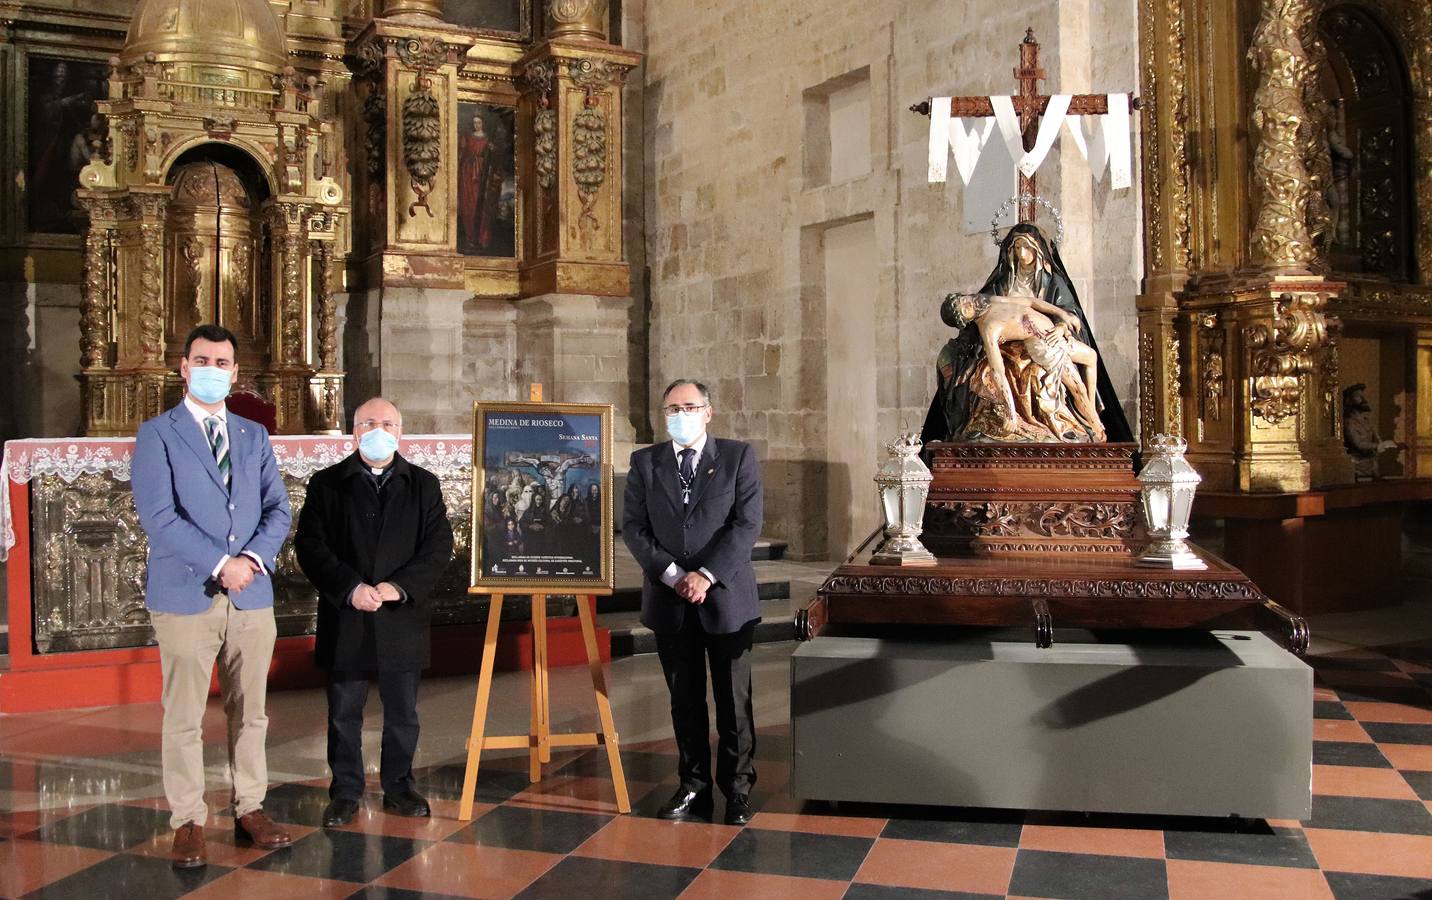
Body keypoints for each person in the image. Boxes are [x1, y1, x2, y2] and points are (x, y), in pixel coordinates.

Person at [132, 324, 294, 869]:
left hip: (251, 593)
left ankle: (250, 806)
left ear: (234, 372)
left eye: (221, 362)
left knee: (252, 712)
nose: (211, 369)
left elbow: (278, 509)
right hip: (186, 592)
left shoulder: (252, 435)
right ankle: (188, 820)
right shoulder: (158, 433)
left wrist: (249, 561)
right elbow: (158, 516)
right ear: (183, 367)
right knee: (183, 716)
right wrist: (220, 562)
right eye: (201, 360)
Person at [294, 397, 455, 827]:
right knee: (344, 711)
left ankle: (399, 786)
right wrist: (350, 588)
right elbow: (310, 546)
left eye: (387, 423)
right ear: (354, 430)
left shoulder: (424, 484)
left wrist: (397, 588)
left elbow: (439, 547)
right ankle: (345, 790)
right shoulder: (326, 483)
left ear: (400, 432)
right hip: (347, 612)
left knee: (402, 711)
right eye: (369, 422)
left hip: (401, 615)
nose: (378, 429)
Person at [622, 379, 764, 825]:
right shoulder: (645, 462)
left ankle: (738, 790)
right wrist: (673, 575)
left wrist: (704, 575)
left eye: (689, 406)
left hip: (726, 598)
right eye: (672, 409)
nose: (680, 415)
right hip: (670, 600)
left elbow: (746, 524)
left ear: (708, 411)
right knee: (684, 701)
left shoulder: (738, 457)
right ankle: (693, 784)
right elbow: (634, 527)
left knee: (733, 701)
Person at [922, 223, 1134, 444]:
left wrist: (1062, 323)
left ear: (1037, 250)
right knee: (996, 373)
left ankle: (1091, 423)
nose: (1022, 254)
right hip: (1019, 346)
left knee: (1083, 364)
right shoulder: (998, 292)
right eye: (1016, 248)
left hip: (1048, 336)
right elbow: (995, 365)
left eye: (1026, 248)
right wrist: (1010, 411)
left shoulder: (1048, 282)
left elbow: (1042, 305)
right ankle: (1084, 426)